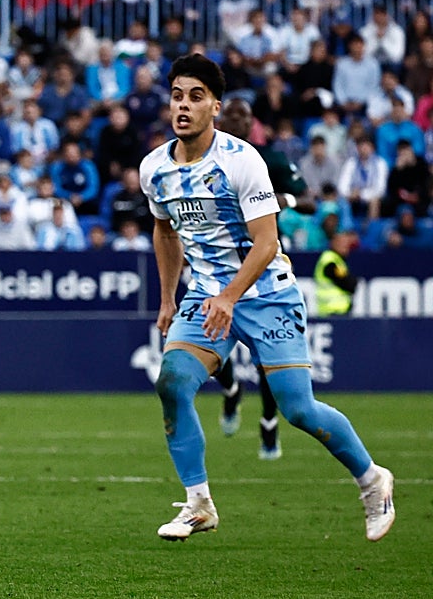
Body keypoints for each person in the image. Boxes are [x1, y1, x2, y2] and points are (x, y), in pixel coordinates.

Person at [141, 54, 394, 543]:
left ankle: (372, 480)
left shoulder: (242, 160)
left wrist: (231, 297)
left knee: (298, 409)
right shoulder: (155, 168)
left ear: (215, 107)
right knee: (172, 382)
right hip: (207, 296)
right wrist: (169, 299)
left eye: (196, 97)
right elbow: (164, 231)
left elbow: (266, 243)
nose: (184, 106)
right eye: (177, 96)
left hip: (267, 295)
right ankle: (198, 504)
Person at [211, 97, 315, 459]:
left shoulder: (269, 159)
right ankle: (230, 389)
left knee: (266, 351)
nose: (236, 120)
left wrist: (282, 199)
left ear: (252, 122)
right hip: (215, 262)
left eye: (243, 115)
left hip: (262, 265)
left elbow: (309, 201)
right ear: (220, 119)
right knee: (208, 340)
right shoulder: (205, 157)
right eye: (231, 114)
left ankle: (269, 421)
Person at [314, 230, 360, 316]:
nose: (345, 246)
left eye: (347, 243)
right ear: (333, 243)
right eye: (341, 243)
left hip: (338, 311)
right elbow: (348, 284)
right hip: (332, 311)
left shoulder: (338, 260)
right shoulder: (329, 261)